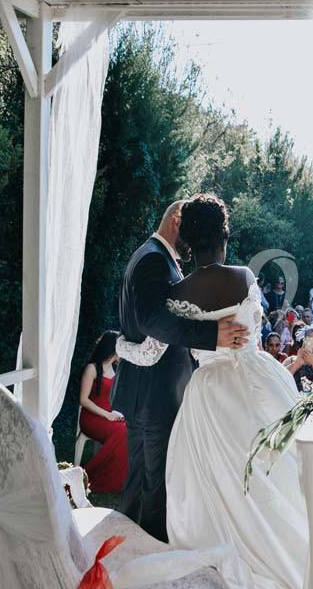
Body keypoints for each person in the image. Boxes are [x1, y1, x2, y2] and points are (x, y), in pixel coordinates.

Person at [115, 195, 306, 585]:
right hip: (256, 381)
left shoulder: (180, 290)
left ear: (187, 236)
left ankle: (213, 543)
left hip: (205, 391)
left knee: (206, 478)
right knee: (271, 470)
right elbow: (253, 322)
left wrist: (119, 346)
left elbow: (156, 337)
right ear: (224, 234)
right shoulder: (244, 277)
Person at [112, 199, 244, 542]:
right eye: (185, 230)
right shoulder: (154, 259)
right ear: (175, 220)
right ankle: (147, 557)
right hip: (154, 395)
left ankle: (126, 553)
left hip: (150, 391)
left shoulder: (153, 257)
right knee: (155, 486)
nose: (189, 239)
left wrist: (120, 347)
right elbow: (153, 321)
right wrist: (213, 335)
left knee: (144, 483)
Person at [78, 331, 128, 493]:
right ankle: (94, 475)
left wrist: (116, 413)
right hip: (91, 419)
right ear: (113, 348)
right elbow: (83, 400)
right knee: (122, 431)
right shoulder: (91, 369)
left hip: (108, 415)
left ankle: (120, 477)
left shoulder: (115, 370)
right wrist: (107, 415)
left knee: (130, 428)